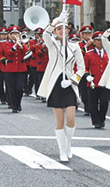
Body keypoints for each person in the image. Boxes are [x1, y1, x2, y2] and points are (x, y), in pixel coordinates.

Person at [37, 14, 85, 162]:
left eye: (63, 29)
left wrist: (73, 79)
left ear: (68, 31)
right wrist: (55, 21)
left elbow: (81, 68)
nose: (60, 31)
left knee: (71, 118)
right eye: (58, 29)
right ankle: (61, 150)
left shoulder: (75, 46)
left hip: (69, 84)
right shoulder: (52, 44)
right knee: (59, 121)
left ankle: (68, 145)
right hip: (55, 84)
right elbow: (45, 34)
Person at [84, 31, 109, 129]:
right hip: (93, 82)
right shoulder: (89, 54)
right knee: (93, 104)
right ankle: (96, 121)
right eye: (97, 40)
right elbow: (85, 68)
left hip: (104, 82)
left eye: (101, 40)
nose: (99, 42)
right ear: (93, 42)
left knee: (104, 102)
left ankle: (102, 119)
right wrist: (87, 76)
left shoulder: (108, 53)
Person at [4, 26, 32, 113]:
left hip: (21, 69)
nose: (15, 35)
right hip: (11, 69)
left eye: (17, 34)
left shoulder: (22, 44)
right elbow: (8, 54)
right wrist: (15, 46)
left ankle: (18, 103)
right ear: (10, 35)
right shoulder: (6, 44)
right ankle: (14, 106)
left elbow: (26, 52)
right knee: (11, 89)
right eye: (13, 34)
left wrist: (20, 44)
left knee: (20, 88)